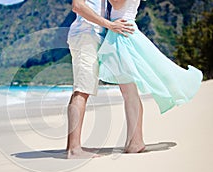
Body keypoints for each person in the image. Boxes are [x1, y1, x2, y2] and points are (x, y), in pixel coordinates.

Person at [98, 0, 203, 153]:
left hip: (122, 32)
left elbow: (117, 5)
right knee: (129, 93)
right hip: (122, 30)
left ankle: (136, 141)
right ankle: (134, 140)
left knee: (129, 94)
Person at [66, 0, 135, 159]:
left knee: (82, 90)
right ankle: (74, 149)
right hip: (86, 34)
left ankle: (72, 146)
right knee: (81, 90)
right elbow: (78, 6)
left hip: (93, 34)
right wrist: (109, 25)